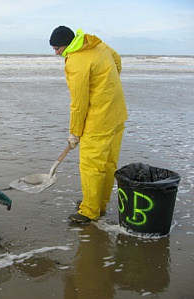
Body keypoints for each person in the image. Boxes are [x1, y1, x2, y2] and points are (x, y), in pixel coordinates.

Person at [49, 25, 128, 223]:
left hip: (98, 122)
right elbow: (116, 59)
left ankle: (90, 211)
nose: (56, 52)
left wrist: (74, 132)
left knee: (92, 167)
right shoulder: (96, 44)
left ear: (67, 44)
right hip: (117, 115)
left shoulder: (76, 61)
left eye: (58, 48)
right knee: (108, 164)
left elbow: (79, 102)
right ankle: (99, 204)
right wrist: (106, 85)